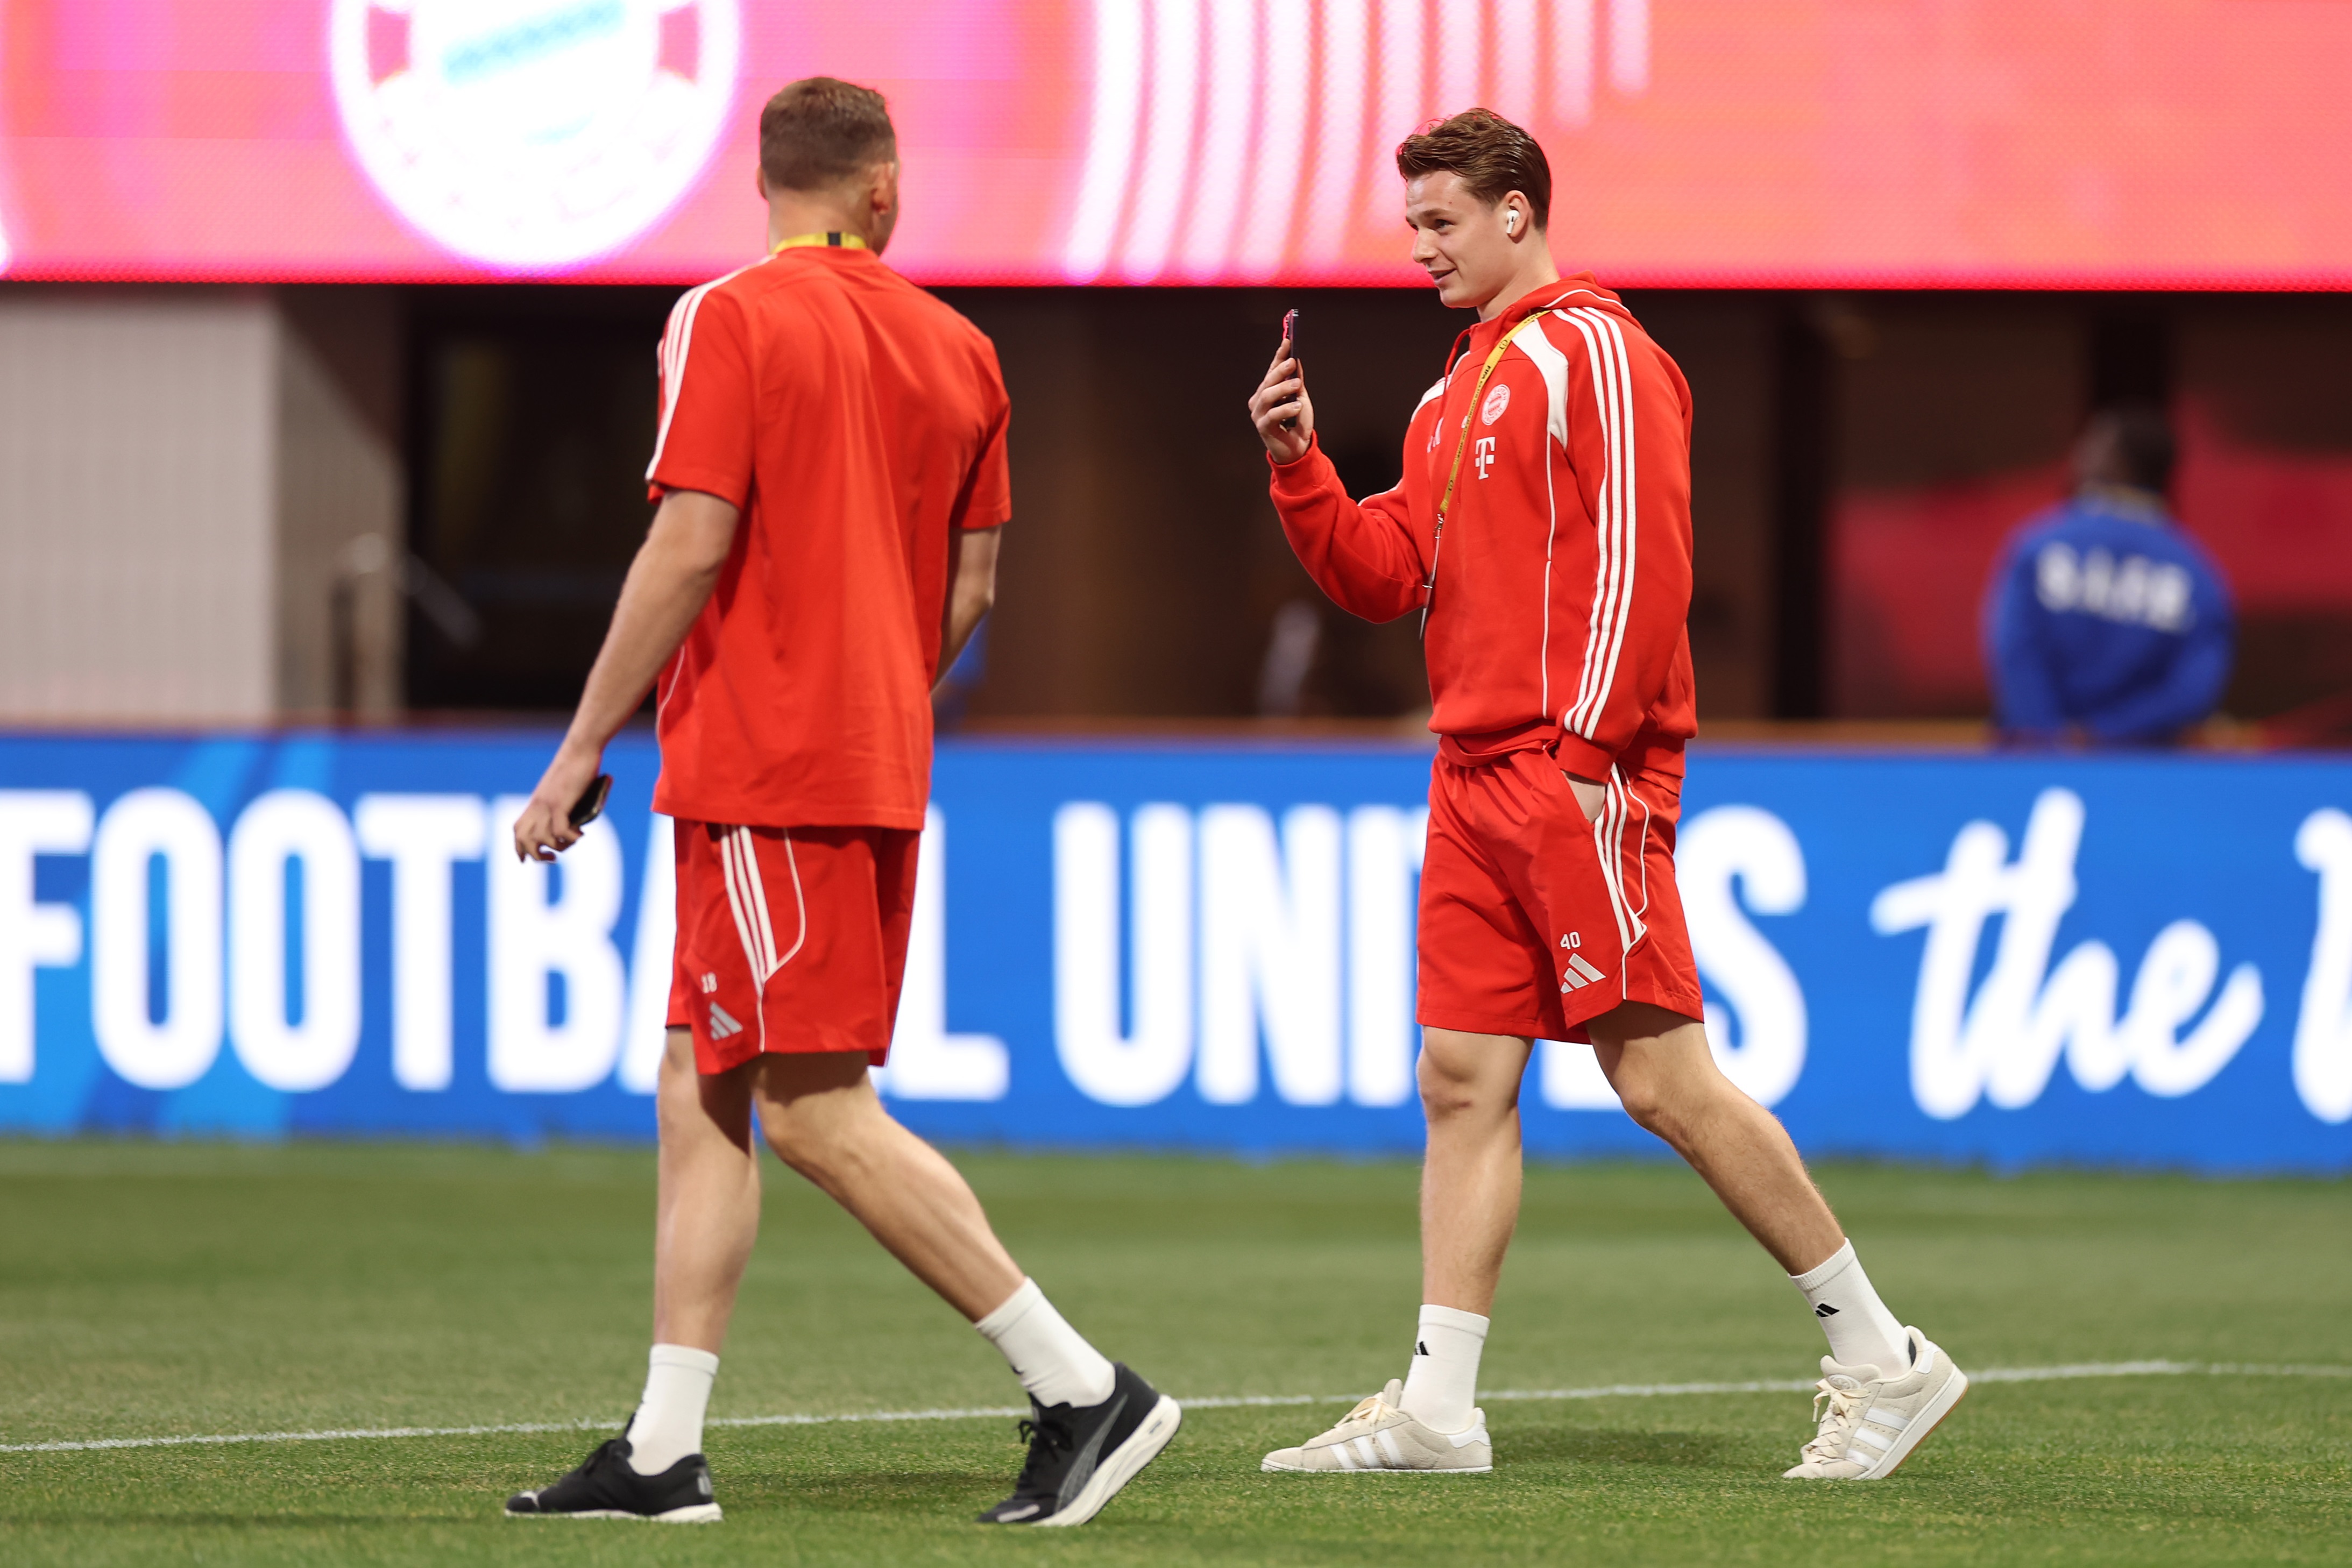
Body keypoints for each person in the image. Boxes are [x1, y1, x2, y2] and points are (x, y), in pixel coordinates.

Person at [1244, 109, 1967, 1480]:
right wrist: (1299, 467)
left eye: (1442, 222)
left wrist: (1587, 760)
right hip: (1469, 771)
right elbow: (1385, 573)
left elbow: (1643, 560)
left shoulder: (1598, 352)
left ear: (1517, 212)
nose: (1420, 249)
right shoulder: (1451, 390)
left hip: (1570, 769)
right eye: (1415, 226)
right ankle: (1439, 1411)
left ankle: (1883, 1358)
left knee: (1659, 1078)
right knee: (1458, 1078)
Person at [504, 78, 1177, 1528]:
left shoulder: (727, 317)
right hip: (864, 755)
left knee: (810, 1108)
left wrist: (576, 748)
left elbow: (690, 543)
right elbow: (976, 587)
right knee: (703, 1086)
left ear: (769, 182)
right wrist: (875, 690)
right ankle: (664, 1449)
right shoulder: (964, 349)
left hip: (764, 761)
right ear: (880, 192)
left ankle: (1078, 1385)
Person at [1985, 405, 2234, 745]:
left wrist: (2050, 739)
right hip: (2141, 777)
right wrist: (2105, 736)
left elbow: (2016, 654)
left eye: (2089, 444)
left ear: (2109, 460)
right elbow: (2191, 692)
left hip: (2033, 773)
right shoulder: (2198, 573)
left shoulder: (2038, 547)